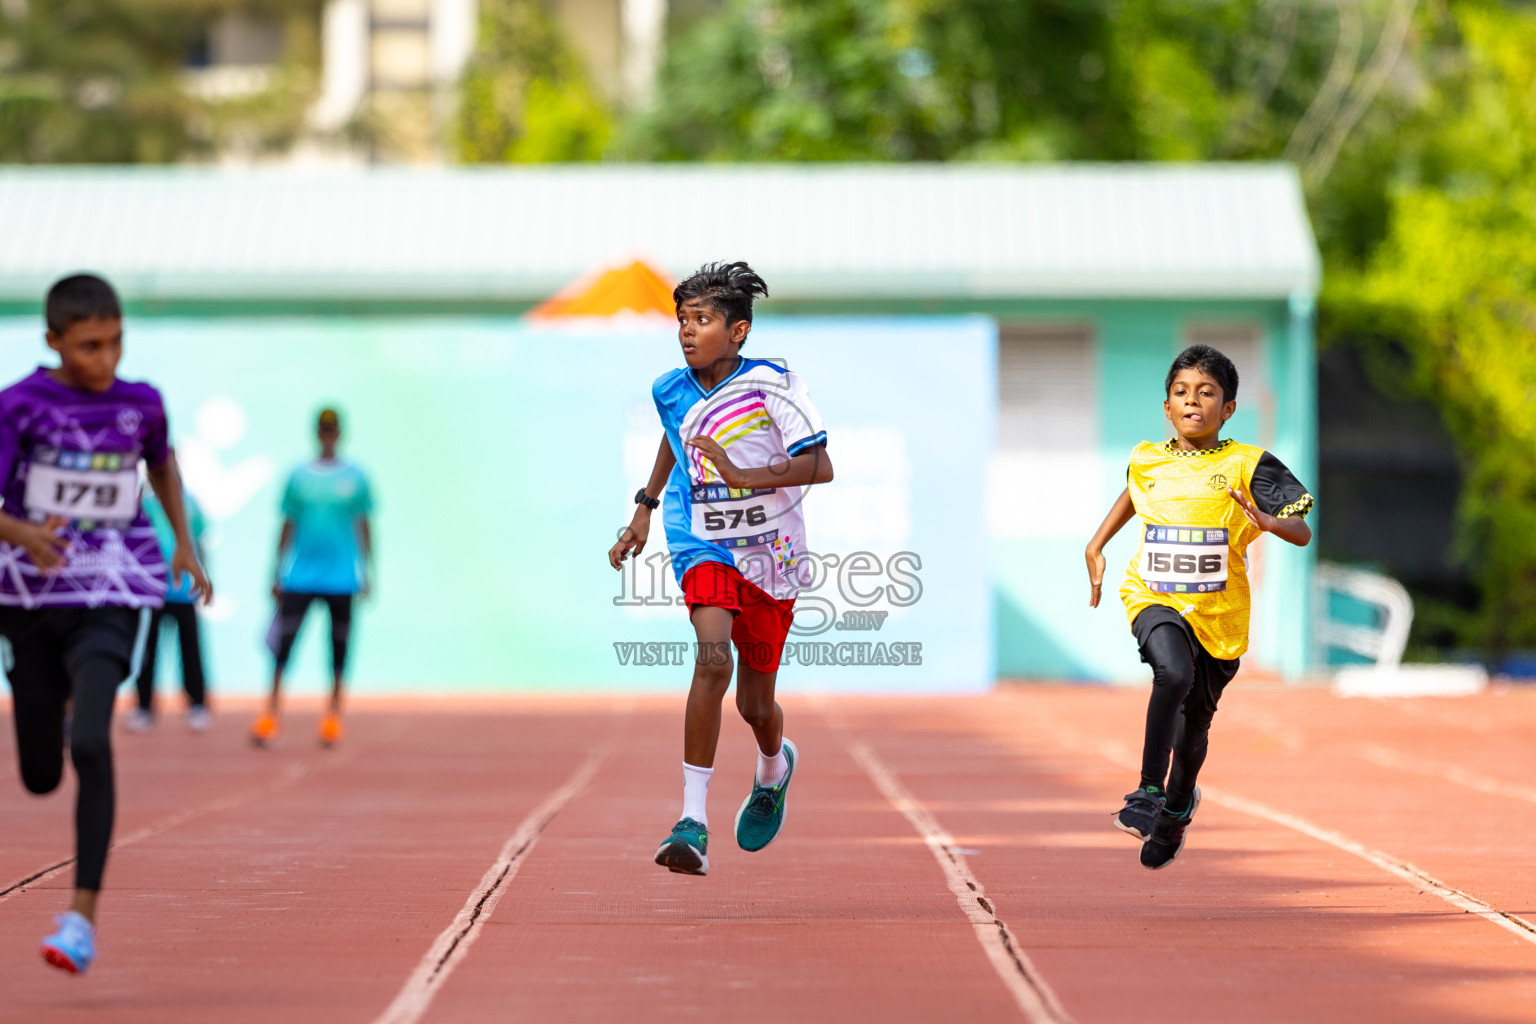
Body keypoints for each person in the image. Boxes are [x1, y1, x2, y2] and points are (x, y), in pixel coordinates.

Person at [0, 273, 211, 974]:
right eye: (89, 347)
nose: (106, 361)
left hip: (113, 591)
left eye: (116, 342)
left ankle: (80, 921)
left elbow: (161, 464)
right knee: (37, 775)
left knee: (91, 741)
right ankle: (50, 706)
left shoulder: (140, 403)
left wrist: (184, 540)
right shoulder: (19, 408)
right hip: (30, 601)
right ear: (54, 342)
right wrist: (21, 532)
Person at [609, 261, 833, 876]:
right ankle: (691, 821)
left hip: (772, 554)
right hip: (700, 541)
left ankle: (772, 766)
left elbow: (819, 466)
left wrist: (742, 477)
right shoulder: (670, 390)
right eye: (681, 320)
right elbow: (675, 437)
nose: (687, 331)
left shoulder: (775, 385)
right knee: (712, 657)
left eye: (702, 320)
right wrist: (644, 510)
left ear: (738, 332)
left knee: (756, 706)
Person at [1085, 344, 1313, 870]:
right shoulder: (1147, 457)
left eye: (1207, 393)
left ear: (1228, 408)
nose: (1193, 402)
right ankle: (1146, 791)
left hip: (1220, 617)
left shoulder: (1248, 464)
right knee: (1172, 672)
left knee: (1194, 732)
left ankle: (1178, 806)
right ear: (1167, 407)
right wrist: (1096, 544)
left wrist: (1270, 522)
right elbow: (1132, 492)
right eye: (1182, 393)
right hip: (1154, 594)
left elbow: (1300, 530)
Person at [252, 408, 372, 749]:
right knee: (283, 648)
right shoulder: (298, 477)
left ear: (340, 434)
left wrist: (367, 569)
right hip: (300, 576)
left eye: (332, 430)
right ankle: (270, 713)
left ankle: (333, 716)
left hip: (341, 578)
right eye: (323, 430)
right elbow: (286, 524)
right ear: (316, 433)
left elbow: (364, 525)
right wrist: (276, 570)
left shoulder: (356, 478)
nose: (328, 435)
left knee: (338, 649)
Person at [126, 487, 211, 733]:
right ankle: (143, 708)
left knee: (191, 650)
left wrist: (203, 576)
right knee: (146, 652)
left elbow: (199, 542)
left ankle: (197, 705)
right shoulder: (143, 504)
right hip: (151, 589)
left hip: (184, 590)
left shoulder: (192, 503)